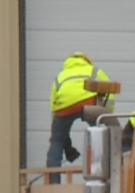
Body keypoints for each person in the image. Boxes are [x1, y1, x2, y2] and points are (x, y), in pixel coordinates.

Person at [48, 52, 115, 183]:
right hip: (88, 102)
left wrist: (57, 129)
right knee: (99, 136)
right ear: (86, 61)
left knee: (56, 141)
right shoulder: (95, 71)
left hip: (64, 107)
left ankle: (52, 181)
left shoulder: (61, 76)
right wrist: (106, 115)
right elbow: (109, 93)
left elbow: (53, 104)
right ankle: (101, 175)